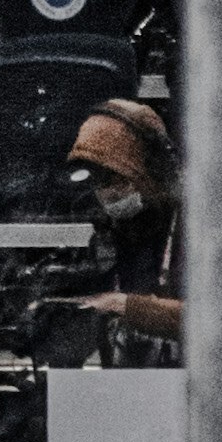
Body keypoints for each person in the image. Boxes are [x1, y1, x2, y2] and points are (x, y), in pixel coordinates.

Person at [39, 98, 184, 363]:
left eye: (115, 178)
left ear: (151, 170)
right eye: (97, 181)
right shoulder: (115, 233)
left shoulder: (196, 232)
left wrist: (125, 307)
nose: (106, 193)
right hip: (125, 389)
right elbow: (102, 316)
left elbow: (220, 321)